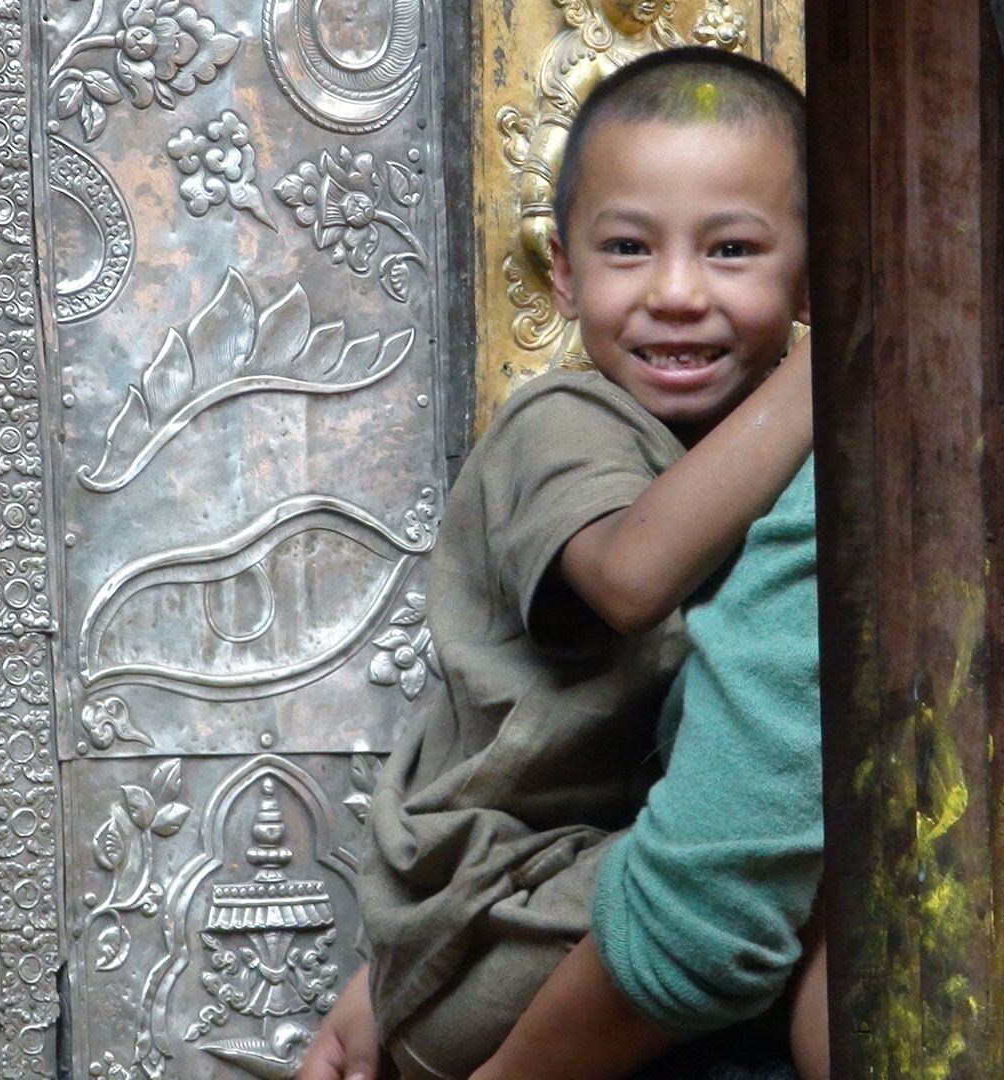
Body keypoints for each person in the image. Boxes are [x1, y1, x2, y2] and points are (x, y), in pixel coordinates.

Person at [297, 46, 822, 1080]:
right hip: (499, 916)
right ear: (565, 276)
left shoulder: (747, 444)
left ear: (809, 274)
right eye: (628, 249)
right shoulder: (564, 422)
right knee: (793, 883)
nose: (675, 293)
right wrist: (829, 373)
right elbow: (628, 577)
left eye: (731, 251)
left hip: (567, 904)